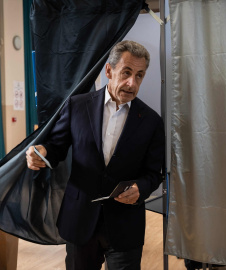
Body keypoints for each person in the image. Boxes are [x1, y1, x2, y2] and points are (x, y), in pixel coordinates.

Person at [26, 40, 165, 270]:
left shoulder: (151, 122)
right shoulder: (77, 106)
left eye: (139, 75)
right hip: (80, 219)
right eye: (127, 72)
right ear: (109, 71)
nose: (132, 83)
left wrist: (140, 188)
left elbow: (153, 174)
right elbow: (56, 147)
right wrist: (42, 152)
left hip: (125, 225)